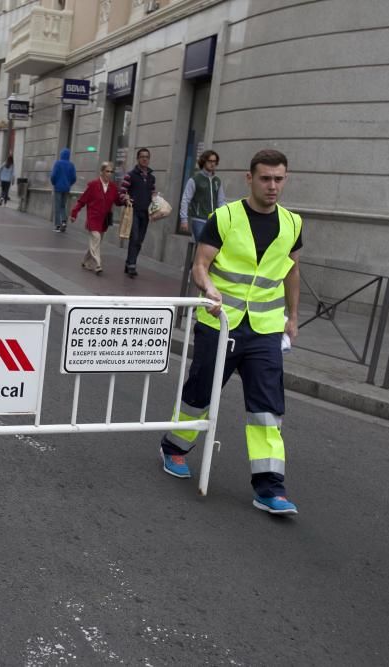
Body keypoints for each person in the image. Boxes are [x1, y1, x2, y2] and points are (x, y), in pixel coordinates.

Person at [158, 149, 303, 516]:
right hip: (219, 322)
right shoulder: (224, 217)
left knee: (268, 408)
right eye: (266, 178)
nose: (273, 186)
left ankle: (270, 486)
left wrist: (293, 317)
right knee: (200, 393)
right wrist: (207, 288)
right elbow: (200, 266)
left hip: (265, 329)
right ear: (249, 178)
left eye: (279, 179)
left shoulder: (292, 224)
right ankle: (174, 446)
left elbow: (292, 272)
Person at [69, 162, 124, 275]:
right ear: (102, 172)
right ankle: (98, 263)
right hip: (93, 218)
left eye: (111, 172)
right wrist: (74, 213)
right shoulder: (93, 185)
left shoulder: (113, 187)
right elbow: (82, 201)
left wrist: (125, 199)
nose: (109, 174)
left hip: (104, 220)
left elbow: (118, 202)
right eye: (107, 171)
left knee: (96, 242)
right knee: (96, 238)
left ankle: (85, 261)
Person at [119, 147, 156, 277]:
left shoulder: (151, 178)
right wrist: (126, 199)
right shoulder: (130, 175)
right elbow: (122, 193)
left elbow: (152, 193)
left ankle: (129, 262)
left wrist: (156, 200)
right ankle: (132, 266)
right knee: (134, 238)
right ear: (138, 159)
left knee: (139, 240)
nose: (145, 159)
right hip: (133, 211)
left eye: (147, 157)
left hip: (145, 213)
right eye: (142, 157)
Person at [180, 149, 226, 241]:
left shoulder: (217, 181)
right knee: (202, 244)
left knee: (209, 248)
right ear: (204, 161)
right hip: (199, 219)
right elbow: (185, 200)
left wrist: (224, 218)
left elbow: (221, 201)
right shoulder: (195, 180)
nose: (213, 164)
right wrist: (184, 220)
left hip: (214, 220)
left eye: (215, 161)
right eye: (210, 161)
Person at [49, 148, 76, 232]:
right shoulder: (71, 165)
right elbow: (74, 178)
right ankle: (64, 221)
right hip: (66, 188)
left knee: (57, 206)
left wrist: (54, 183)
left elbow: (53, 176)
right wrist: (69, 184)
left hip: (58, 188)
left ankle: (57, 225)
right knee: (63, 206)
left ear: (61, 155)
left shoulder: (57, 163)